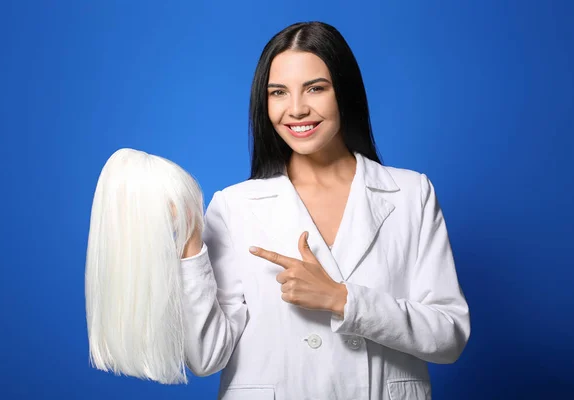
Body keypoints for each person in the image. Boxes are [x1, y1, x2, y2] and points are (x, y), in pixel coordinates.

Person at [178, 21, 470, 400]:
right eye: (278, 92)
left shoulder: (411, 194)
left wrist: (341, 299)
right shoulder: (233, 206)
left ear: (344, 93)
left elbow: (450, 336)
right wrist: (189, 248)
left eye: (315, 88)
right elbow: (205, 357)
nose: (296, 109)